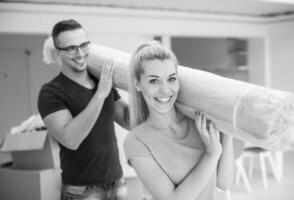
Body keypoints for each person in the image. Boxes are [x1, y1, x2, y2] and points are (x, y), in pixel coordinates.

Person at [124, 41, 235, 200]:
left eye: (171, 79)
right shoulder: (136, 141)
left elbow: (225, 183)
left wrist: (227, 127)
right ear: (137, 84)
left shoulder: (199, 123)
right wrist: (211, 154)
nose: (165, 89)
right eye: (154, 81)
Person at [38, 19, 130, 200]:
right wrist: (100, 94)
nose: (80, 53)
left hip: (117, 183)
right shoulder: (51, 92)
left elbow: (128, 120)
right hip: (82, 191)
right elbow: (71, 139)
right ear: (58, 53)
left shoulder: (101, 81)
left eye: (83, 45)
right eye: (71, 48)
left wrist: (147, 89)